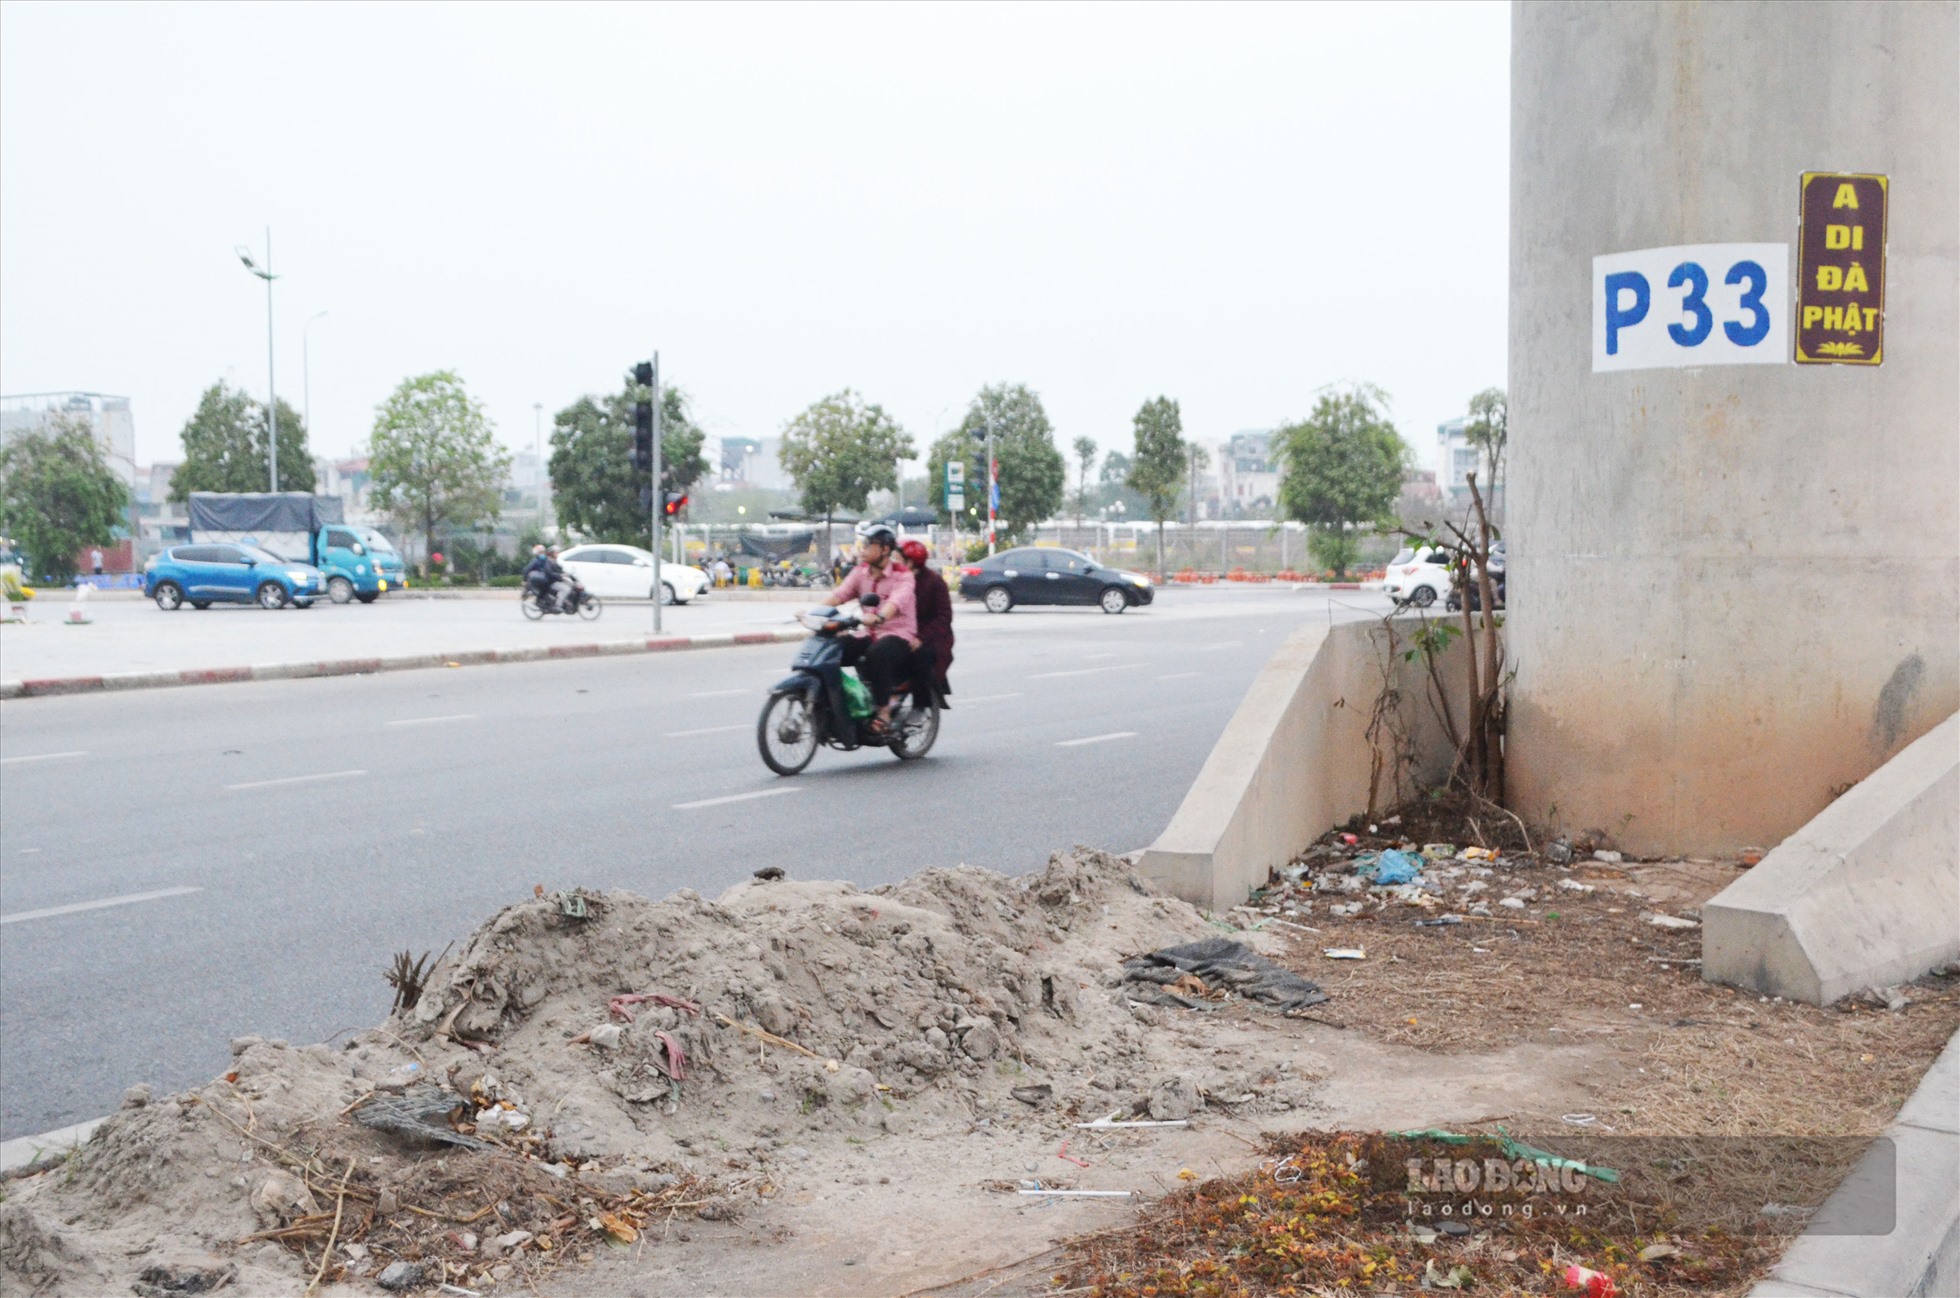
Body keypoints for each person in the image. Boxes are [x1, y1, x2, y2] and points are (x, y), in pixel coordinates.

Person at [821, 523, 916, 733]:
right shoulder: (860, 571)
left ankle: (883, 712)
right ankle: (842, 702)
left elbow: (896, 601)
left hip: (897, 633)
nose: (862, 548)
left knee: (877, 654)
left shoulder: (903, 575)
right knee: (831, 649)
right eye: (863, 543)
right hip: (868, 632)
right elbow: (841, 594)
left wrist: (880, 616)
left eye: (869, 544)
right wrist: (816, 612)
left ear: (884, 550)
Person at [900, 538, 954, 706]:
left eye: (899, 559)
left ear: (910, 563)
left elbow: (944, 617)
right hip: (902, 632)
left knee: (920, 657)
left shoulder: (934, 583)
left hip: (932, 638)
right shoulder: (897, 579)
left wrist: (921, 638)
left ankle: (920, 705)